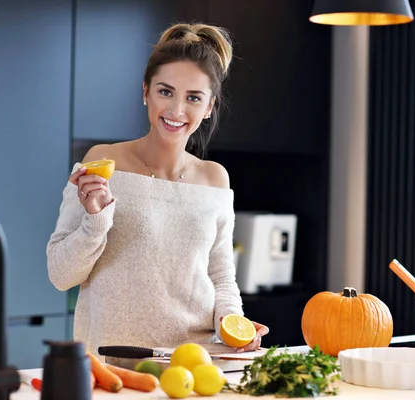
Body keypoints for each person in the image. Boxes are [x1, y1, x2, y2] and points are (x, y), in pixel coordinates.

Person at [46, 22, 269, 357]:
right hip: (117, 363)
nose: (177, 111)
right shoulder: (104, 162)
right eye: (165, 92)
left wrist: (234, 324)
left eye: (193, 98)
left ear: (208, 107)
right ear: (145, 92)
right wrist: (96, 220)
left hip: (200, 362)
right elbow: (61, 275)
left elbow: (221, 276)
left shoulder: (215, 179)